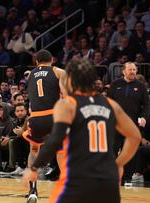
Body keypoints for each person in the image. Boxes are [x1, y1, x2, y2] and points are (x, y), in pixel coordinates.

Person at [22, 58, 141, 203]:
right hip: (108, 179)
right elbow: (135, 137)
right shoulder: (111, 105)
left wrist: (34, 167)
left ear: (70, 80)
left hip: (78, 178)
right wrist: (118, 164)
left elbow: (55, 139)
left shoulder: (68, 105)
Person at [22, 49, 66, 202]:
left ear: (36, 62)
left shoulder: (31, 75)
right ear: (52, 60)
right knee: (60, 152)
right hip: (53, 115)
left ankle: (33, 190)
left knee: (34, 151)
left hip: (35, 118)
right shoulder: (58, 71)